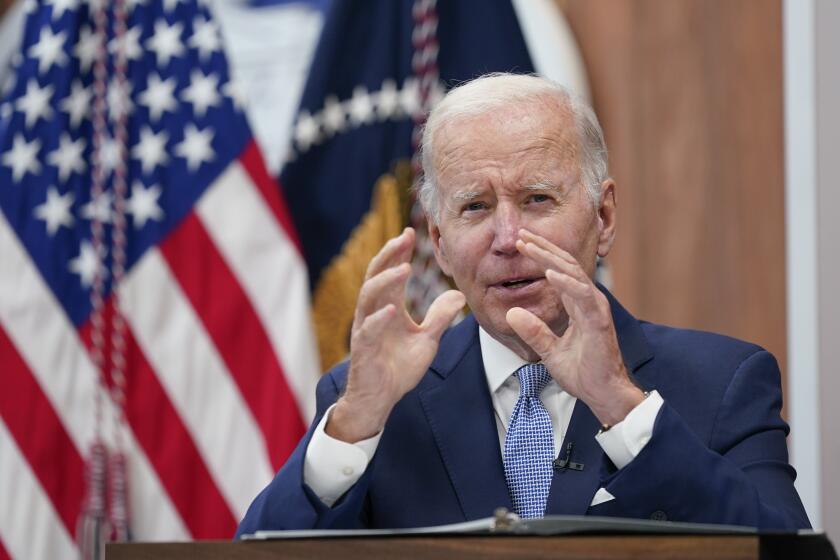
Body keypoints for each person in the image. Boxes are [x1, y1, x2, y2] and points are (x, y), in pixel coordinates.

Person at [236, 73, 810, 535]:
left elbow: (784, 556)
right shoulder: (372, 403)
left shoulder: (722, 383)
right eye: (476, 208)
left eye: (537, 199)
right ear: (438, 242)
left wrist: (623, 410)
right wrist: (353, 428)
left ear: (603, 219)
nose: (507, 238)